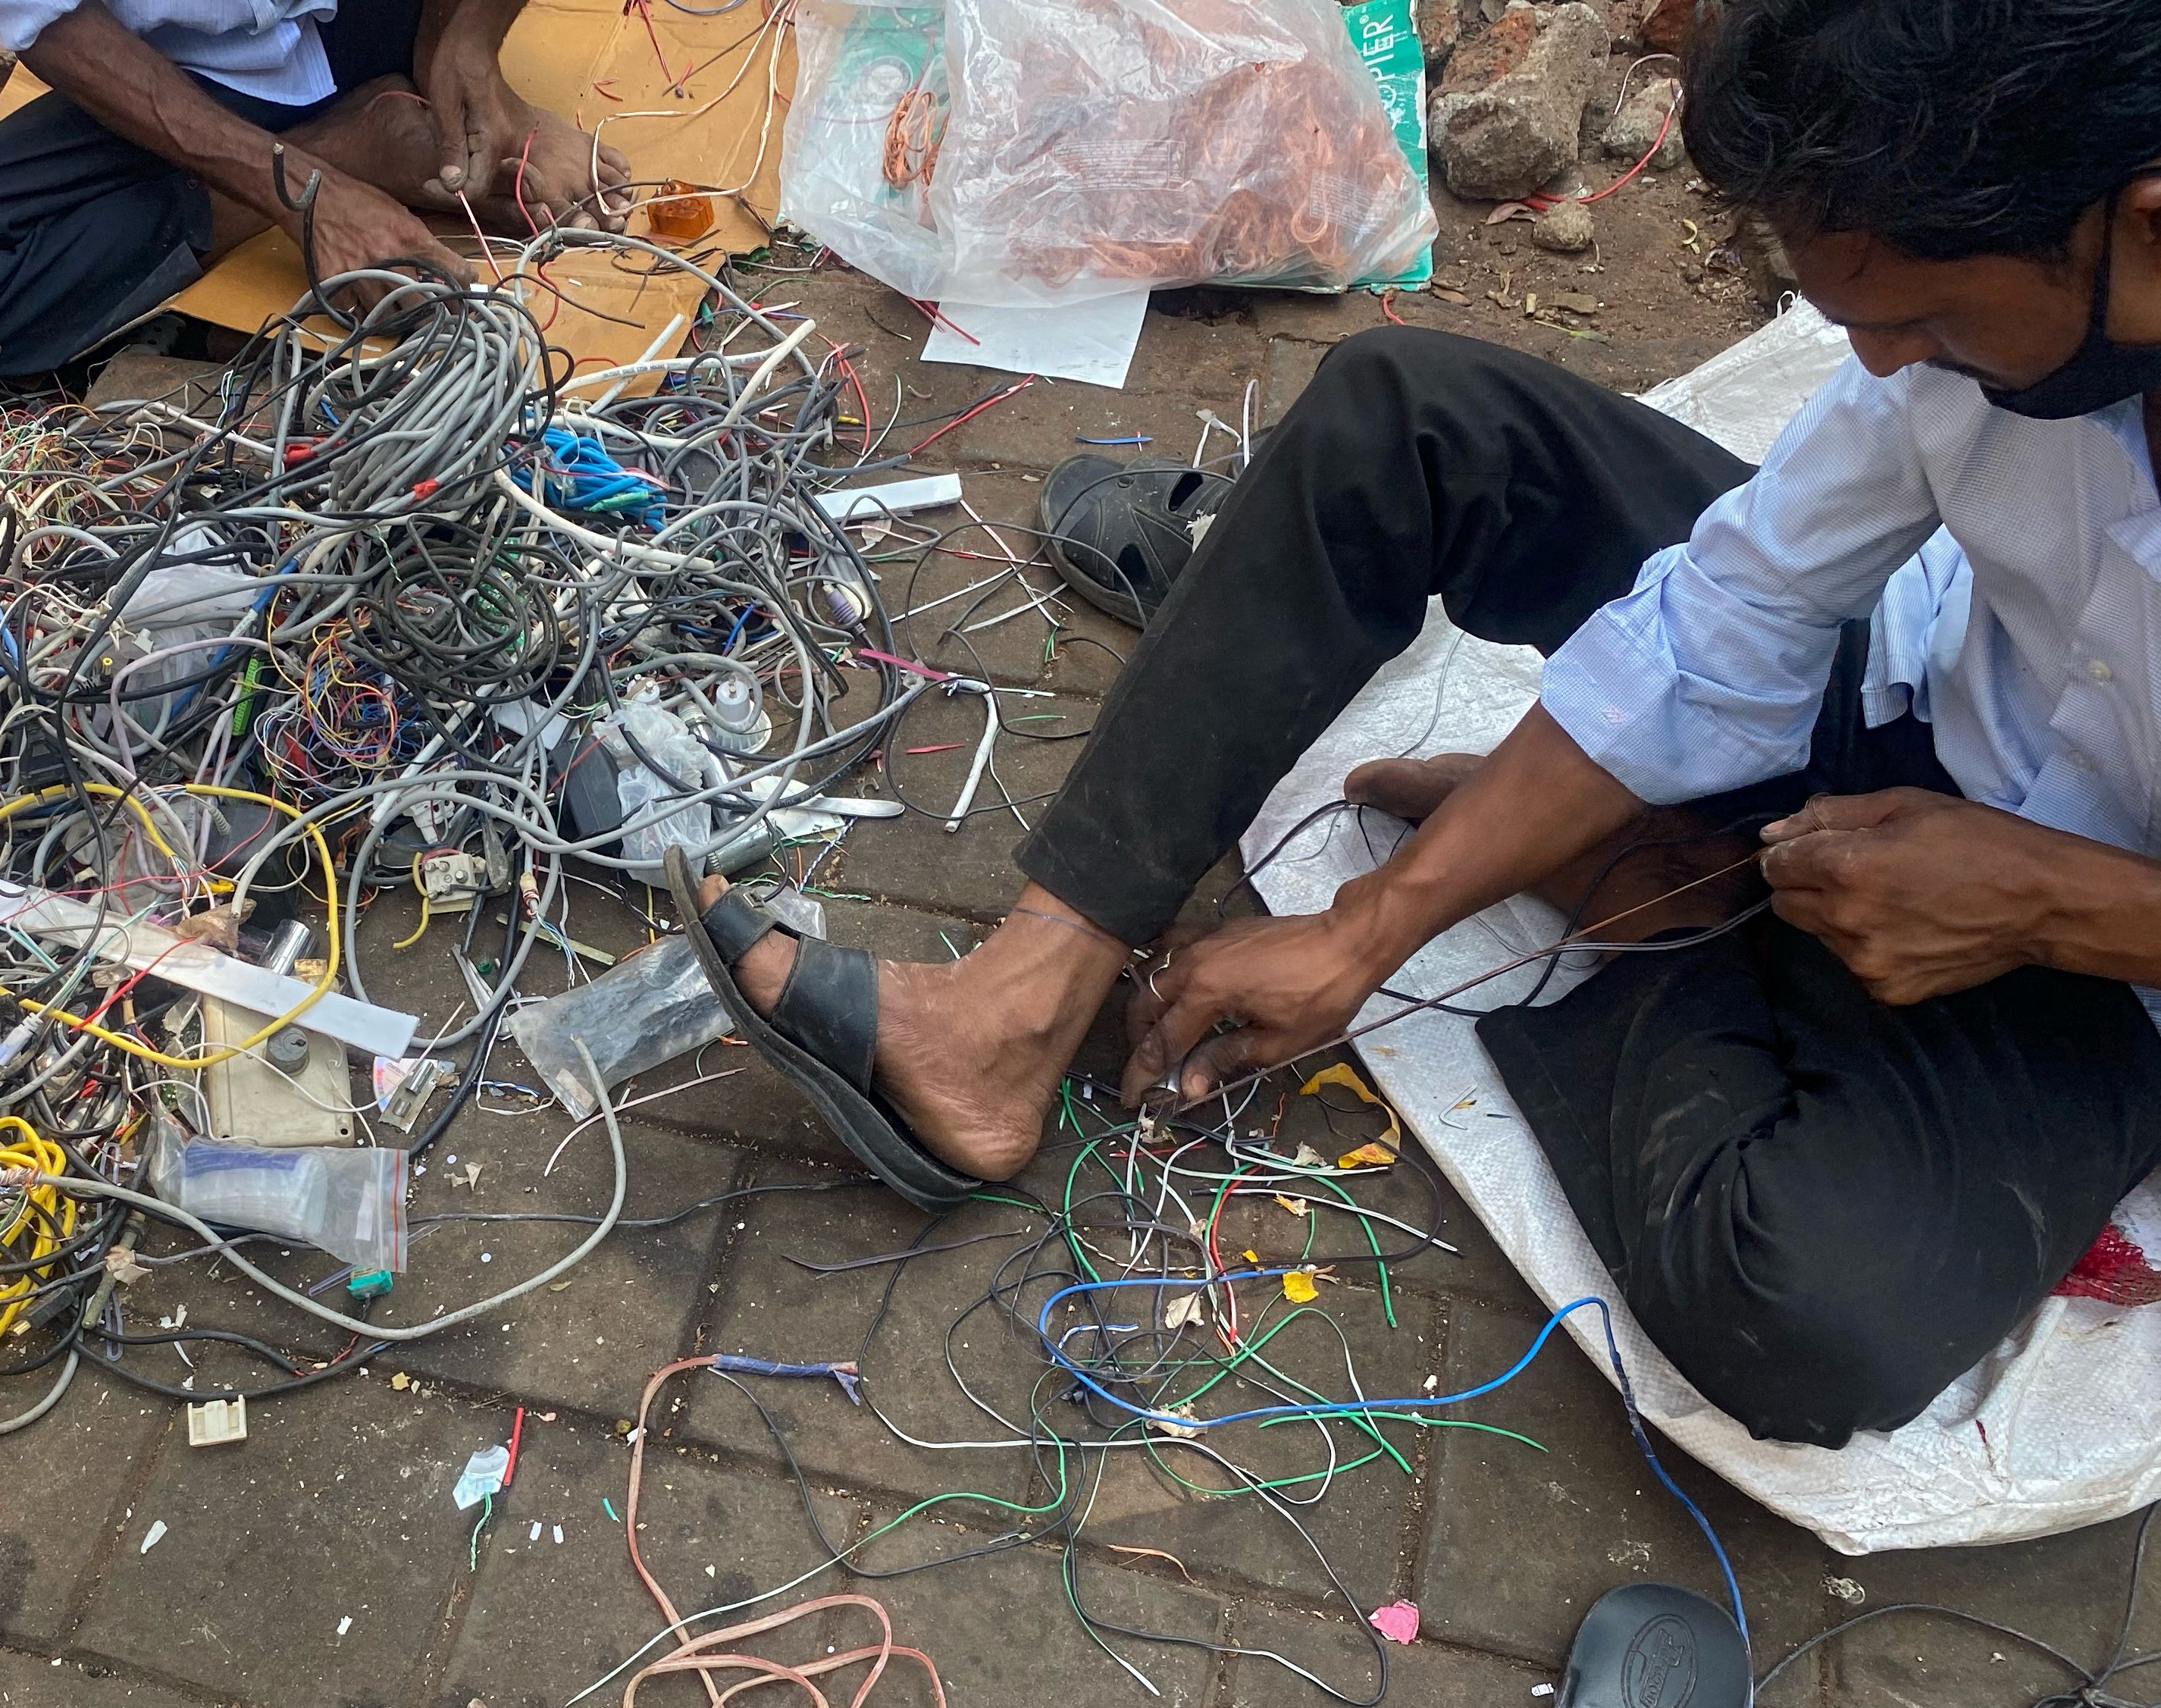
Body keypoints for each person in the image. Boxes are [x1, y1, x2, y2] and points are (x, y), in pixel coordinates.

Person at [684, 0, 2161, 1449]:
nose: (1889, 364)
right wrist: (1369, 927)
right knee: (1407, 421)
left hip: (2094, 958)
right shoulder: (1982, 299)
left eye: (1929, 322)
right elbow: (1744, 606)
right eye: (1860, 324)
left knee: (1801, 1304)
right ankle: (1014, 1012)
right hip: (1917, 676)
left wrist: (2042, 900)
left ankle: (1660, 885)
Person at [0, 0, 625, 384]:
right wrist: (302, 191)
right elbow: (53, 22)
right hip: (181, 72)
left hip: (378, 15)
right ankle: (353, 146)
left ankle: (427, 96)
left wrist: (465, 43)